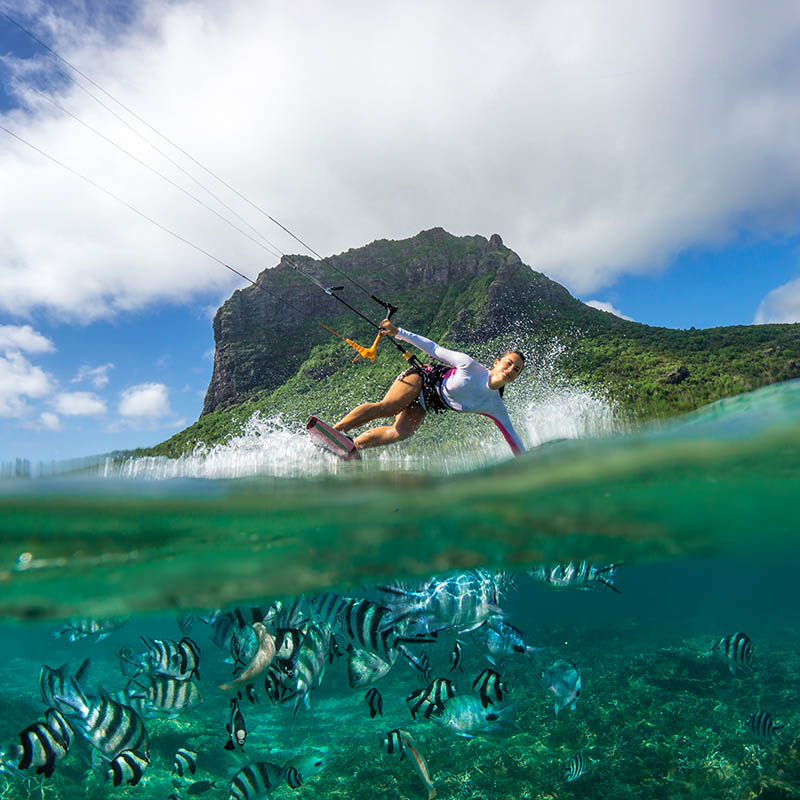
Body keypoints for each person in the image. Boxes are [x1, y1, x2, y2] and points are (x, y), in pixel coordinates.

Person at [333, 319, 526, 456]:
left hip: (428, 401)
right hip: (421, 379)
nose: (510, 369)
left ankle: (351, 446)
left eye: (516, 369)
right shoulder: (469, 365)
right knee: (389, 407)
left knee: (401, 432)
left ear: (516, 377)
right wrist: (397, 332)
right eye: (508, 363)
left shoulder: (495, 406)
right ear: (497, 362)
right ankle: (337, 431)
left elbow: (513, 439)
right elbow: (433, 349)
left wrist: (526, 466)